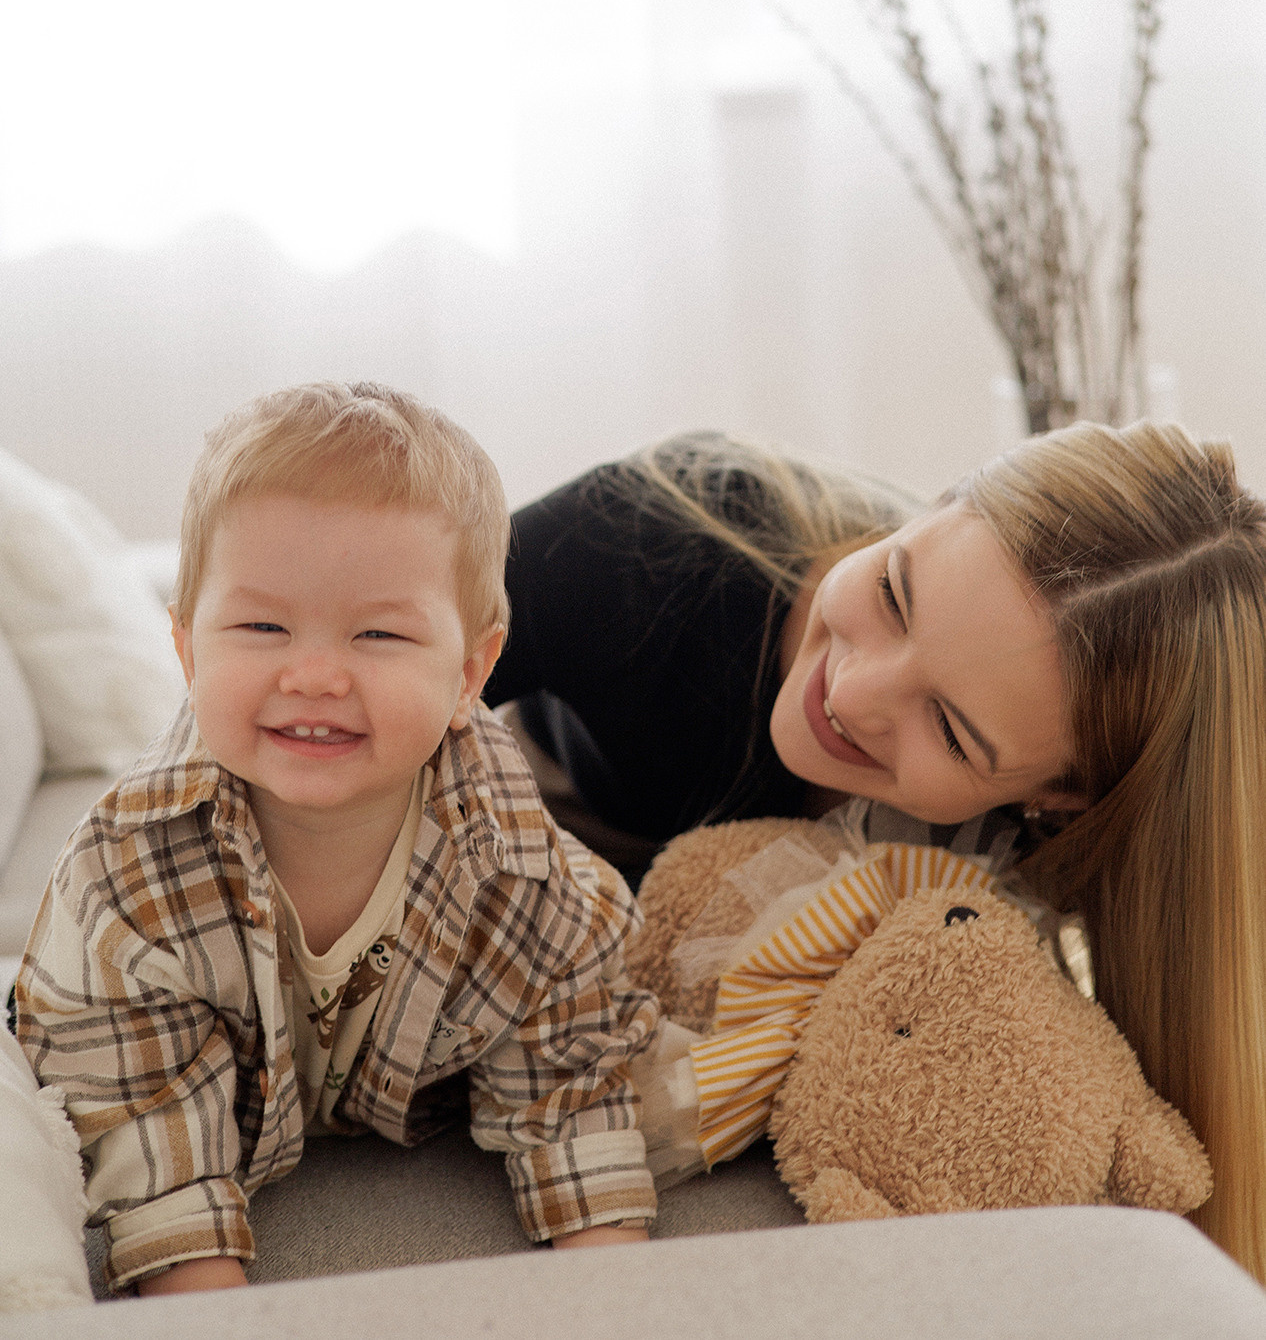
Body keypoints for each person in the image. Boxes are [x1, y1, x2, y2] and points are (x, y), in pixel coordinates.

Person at [486, 426, 1266, 1284]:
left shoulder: (1022, 857)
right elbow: (364, 681)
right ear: (935, 504)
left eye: (951, 731)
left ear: (1056, 800)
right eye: (895, 593)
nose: (851, 694)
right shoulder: (648, 543)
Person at [15, 384, 659, 1296]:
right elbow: (144, 1129)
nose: (314, 674)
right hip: (186, 1085)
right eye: (262, 626)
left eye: (380, 633)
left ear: (471, 669)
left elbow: (574, 1091)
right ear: (189, 647)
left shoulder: (528, 876)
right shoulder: (124, 876)